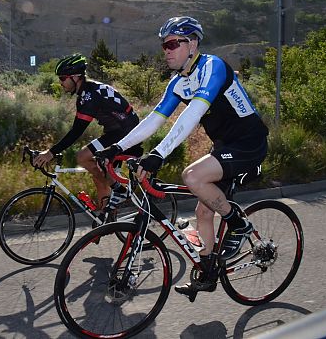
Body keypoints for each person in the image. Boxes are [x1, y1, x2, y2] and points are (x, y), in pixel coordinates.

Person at [95, 16, 269, 298]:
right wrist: (116, 147)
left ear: (193, 44)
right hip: (225, 145)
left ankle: (238, 223)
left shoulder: (213, 67)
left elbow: (192, 114)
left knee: (191, 176)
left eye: (174, 43)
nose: (167, 50)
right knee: (202, 211)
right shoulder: (179, 82)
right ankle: (209, 272)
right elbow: (154, 119)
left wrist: (158, 154)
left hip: (249, 142)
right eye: (164, 45)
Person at [33, 53, 143, 211]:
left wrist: (51, 152)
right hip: (115, 132)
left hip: (126, 132)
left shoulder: (90, 95)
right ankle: (107, 219)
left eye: (63, 78)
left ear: (76, 77)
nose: (60, 82)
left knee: (82, 157)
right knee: (99, 177)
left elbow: (77, 131)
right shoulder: (87, 92)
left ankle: (120, 190)